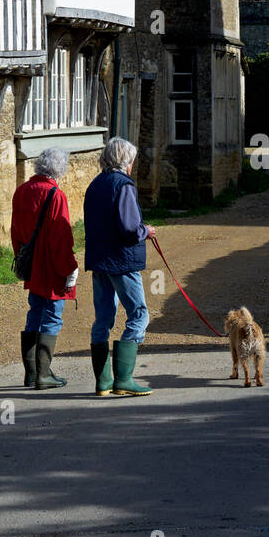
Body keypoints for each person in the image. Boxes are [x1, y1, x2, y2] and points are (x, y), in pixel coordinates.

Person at [83, 136, 156, 397]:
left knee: (103, 318)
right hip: (121, 260)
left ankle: (103, 383)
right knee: (139, 314)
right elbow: (128, 228)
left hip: (99, 259)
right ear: (126, 161)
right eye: (132, 161)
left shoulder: (95, 184)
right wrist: (145, 230)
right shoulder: (123, 185)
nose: (133, 166)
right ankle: (123, 379)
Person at [11, 147, 79, 390]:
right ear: (59, 170)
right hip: (50, 265)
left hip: (31, 263)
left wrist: (21, 255)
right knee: (52, 315)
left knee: (35, 313)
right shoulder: (55, 195)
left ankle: (31, 373)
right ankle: (43, 374)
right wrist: (70, 268)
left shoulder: (21, 191)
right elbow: (61, 237)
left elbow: (16, 231)